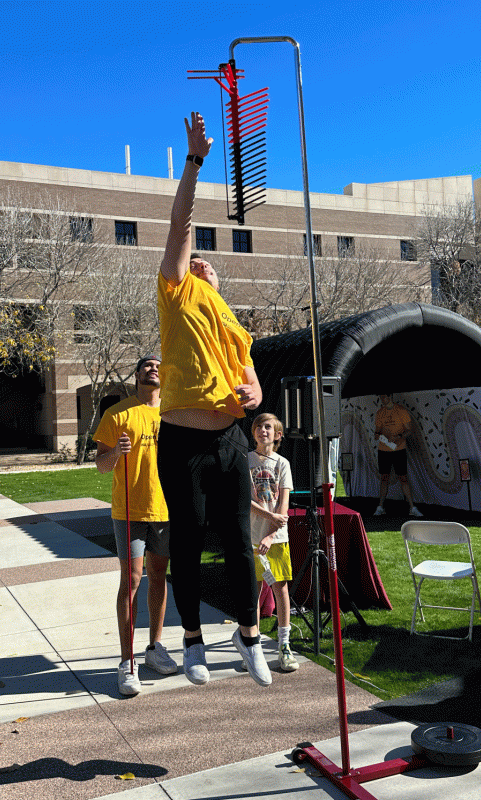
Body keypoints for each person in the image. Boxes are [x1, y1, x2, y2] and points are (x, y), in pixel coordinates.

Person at [155, 111, 271, 688]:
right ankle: (194, 641)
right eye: (195, 262)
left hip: (229, 437)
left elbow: (251, 381)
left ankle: (249, 636)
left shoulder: (228, 317)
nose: (200, 263)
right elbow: (180, 228)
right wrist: (196, 161)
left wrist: (254, 393)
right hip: (182, 438)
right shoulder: (175, 292)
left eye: (207, 266)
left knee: (240, 541)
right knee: (189, 537)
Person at [93, 356, 179, 696]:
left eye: (158, 365)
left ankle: (155, 648)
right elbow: (101, 465)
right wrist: (115, 452)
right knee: (131, 580)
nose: (153, 369)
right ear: (137, 375)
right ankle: (127, 662)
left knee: (159, 575)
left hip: (165, 509)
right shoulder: (118, 414)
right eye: (146, 366)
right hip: (129, 510)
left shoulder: (174, 413)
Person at [248, 413, 299, 673]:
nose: (262, 430)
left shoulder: (283, 464)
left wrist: (270, 535)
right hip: (251, 538)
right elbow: (245, 500)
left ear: (278, 435)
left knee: (280, 589)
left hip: (276, 539)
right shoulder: (245, 461)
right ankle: (252, 646)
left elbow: (284, 506)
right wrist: (268, 520)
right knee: (252, 592)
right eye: (258, 426)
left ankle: (284, 646)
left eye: (268, 427)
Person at [373, 394, 424, 517]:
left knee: (403, 478)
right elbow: (377, 432)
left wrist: (398, 437)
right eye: (381, 397)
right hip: (383, 450)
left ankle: (412, 507)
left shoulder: (401, 411)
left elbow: (409, 430)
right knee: (384, 478)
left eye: (384, 397)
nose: (382, 400)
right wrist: (380, 435)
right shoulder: (380, 413)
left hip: (399, 449)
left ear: (390, 397)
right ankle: (380, 507)